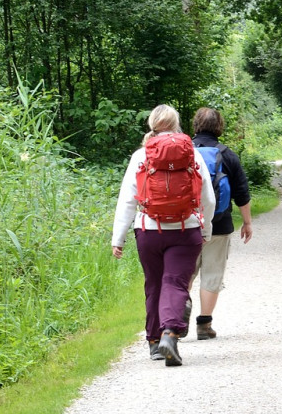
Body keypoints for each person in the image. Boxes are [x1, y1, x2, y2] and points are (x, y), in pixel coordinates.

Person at [112, 104, 215, 366]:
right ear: (176, 125)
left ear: (152, 125)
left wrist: (118, 238)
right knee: (175, 282)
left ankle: (155, 342)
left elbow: (127, 200)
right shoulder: (192, 154)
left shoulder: (140, 156)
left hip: (149, 231)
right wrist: (206, 227)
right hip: (186, 229)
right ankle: (170, 333)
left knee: (154, 283)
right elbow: (208, 197)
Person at [190, 107, 253, 340]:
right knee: (212, 273)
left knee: (184, 272)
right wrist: (247, 223)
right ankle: (204, 325)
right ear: (219, 127)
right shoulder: (227, 155)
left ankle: (177, 317)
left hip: (187, 224)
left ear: (195, 125)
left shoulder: (183, 151)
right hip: (219, 223)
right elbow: (241, 193)